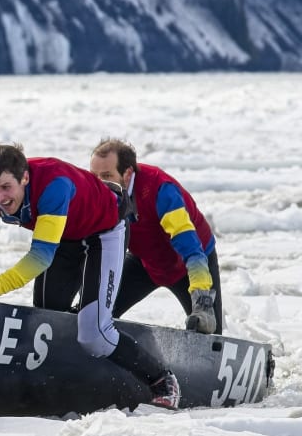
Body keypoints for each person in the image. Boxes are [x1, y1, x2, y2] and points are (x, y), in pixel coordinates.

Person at [0, 143, 181, 410]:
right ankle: (64, 379)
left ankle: (161, 380)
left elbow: (39, 257)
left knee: (94, 333)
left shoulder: (53, 186)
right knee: (49, 318)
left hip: (105, 232)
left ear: (25, 178)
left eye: (6, 188)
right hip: (65, 235)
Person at [89, 138, 220, 334]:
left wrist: (202, 302)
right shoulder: (98, 194)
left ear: (127, 174)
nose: (99, 184)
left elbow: (191, 250)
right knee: (94, 314)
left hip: (190, 261)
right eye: (94, 176)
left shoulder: (161, 190)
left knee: (207, 332)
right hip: (145, 262)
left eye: (107, 176)